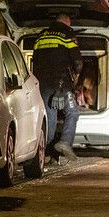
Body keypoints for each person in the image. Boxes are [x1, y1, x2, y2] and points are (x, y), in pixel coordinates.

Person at [32, 12, 83, 162]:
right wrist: (77, 77)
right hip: (61, 83)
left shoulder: (41, 36)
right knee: (72, 112)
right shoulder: (67, 34)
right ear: (67, 22)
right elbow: (78, 62)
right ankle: (65, 142)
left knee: (49, 117)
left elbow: (35, 58)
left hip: (41, 83)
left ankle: (45, 152)